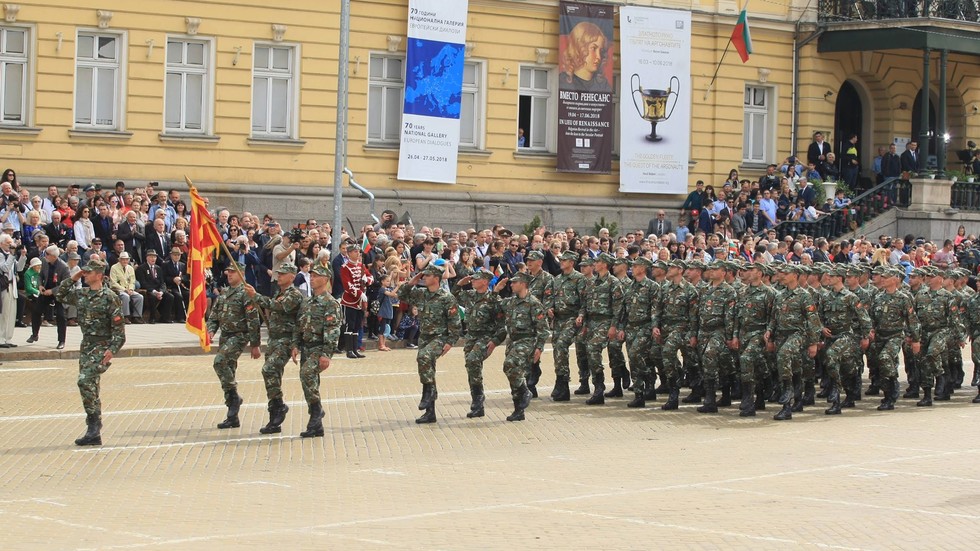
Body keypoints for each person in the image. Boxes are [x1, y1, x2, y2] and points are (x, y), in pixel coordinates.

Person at [56, 257, 126, 446]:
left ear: (99, 275)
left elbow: (120, 333)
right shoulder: (82, 294)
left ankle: (94, 424)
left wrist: (112, 350)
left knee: (84, 381)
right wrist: (74, 277)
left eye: (89, 272)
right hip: (86, 346)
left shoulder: (110, 297)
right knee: (90, 386)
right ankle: (93, 430)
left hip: (101, 347)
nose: (85, 274)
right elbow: (60, 295)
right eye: (84, 272)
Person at [397, 263, 462, 424]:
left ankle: (427, 394)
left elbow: (455, 322)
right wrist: (412, 281)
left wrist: (450, 342)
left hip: (439, 338)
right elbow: (401, 295)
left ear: (436, 278)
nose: (424, 277)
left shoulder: (447, 298)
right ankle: (430, 412)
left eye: (427, 275)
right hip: (424, 337)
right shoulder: (421, 294)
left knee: (424, 358)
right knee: (428, 368)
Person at [246, 263, 304, 434]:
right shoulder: (279, 293)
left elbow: (280, 306)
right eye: (278, 273)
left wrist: (256, 296)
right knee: (274, 376)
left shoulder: (294, 294)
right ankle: (274, 417)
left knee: (269, 370)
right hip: (274, 339)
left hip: (285, 340)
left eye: (283, 274)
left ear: (292, 277)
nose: (279, 276)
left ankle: (279, 406)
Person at [206, 262, 262, 429]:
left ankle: (234, 398)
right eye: (228, 272)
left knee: (219, 362)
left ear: (241, 274)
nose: (229, 275)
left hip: (239, 336)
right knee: (228, 371)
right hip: (225, 336)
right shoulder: (224, 293)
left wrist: (255, 344)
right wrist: (210, 331)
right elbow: (214, 316)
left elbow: (253, 320)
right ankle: (232, 414)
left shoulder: (246, 293)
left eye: (232, 272)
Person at [293, 264, 343, 438]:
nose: (312, 278)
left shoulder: (331, 303)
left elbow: (333, 330)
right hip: (306, 347)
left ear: (325, 279)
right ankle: (316, 424)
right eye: (311, 276)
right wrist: (295, 345)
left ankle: (316, 411)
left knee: (307, 374)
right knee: (309, 382)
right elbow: (299, 325)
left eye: (316, 276)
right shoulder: (307, 301)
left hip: (319, 348)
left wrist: (326, 354)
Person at [765, 264, 821, 420]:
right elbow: (774, 318)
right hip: (781, 335)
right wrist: (769, 332)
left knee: (783, 356)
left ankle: (787, 401)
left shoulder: (804, 296)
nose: (782, 275)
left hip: (798, 334)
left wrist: (813, 343)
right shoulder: (779, 295)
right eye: (781, 273)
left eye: (785, 273)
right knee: (794, 367)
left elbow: (813, 321)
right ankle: (797, 399)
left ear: (795, 275)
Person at [452, 270, 507, 418]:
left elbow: (503, 324)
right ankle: (477, 403)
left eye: (476, 279)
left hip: (485, 337)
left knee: (473, 360)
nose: (472, 281)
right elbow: (452, 297)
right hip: (471, 337)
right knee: (472, 368)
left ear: (485, 281)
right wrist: (459, 284)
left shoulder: (494, 298)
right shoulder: (470, 295)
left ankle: (478, 399)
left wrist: (495, 341)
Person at [500, 271, 550, 421]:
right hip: (512, 341)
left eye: (515, 282)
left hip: (527, 341)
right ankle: (519, 410)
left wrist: (539, 348)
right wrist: (496, 290)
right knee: (512, 371)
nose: (512, 284)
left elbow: (543, 329)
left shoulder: (533, 303)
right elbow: (492, 304)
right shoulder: (511, 301)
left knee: (510, 364)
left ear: (523, 284)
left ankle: (525, 391)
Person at [29, 246, 70, 349]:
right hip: (46, 288)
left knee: (61, 316)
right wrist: (40, 285)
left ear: (54, 256)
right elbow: (40, 276)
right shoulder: (44, 261)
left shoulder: (64, 267)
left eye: (47, 254)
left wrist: (52, 291)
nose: (45, 256)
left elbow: (66, 284)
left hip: (59, 291)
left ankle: (61, 340)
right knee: (36, 311)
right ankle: (34, 334)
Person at [340, 243, 372, 358]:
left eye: (358, 252)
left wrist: (366, 280)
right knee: (350, 324)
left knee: (357, 325)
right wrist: (359, 293)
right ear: (348, 254)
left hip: (360, 302)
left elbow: (370, 277)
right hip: (350, 301)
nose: (357, 253)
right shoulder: (345, 267)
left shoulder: (361, 266)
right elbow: (347, 285)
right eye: (355, 252)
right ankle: (349, 350)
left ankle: (355, 349)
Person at [559, 21, 610, 91]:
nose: (599, 57)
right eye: (593, 48)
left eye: (601, 51)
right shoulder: (562, 81)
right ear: (579, 48)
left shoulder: (603, 85)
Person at [0, 233, 26, 347]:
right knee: (4, 313)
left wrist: (22, 256)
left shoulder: (11, 255)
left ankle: (8, 338)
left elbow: (19, 268)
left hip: (12, 286)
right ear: (1, 244)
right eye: (8, 243)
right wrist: (11, 255)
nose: (10, 246)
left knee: (11, 313)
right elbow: (5, 268)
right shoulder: (1, 255)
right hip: (4, 287)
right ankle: (1, 338)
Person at [135, 249, 173, 324]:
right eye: (151, 257)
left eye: (154, 257)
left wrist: (161, 292)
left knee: (170, 296)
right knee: (152, 297)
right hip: (148, 290)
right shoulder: (141, 268)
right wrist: (154, 291)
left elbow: (162, 282)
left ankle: (165, 317)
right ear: (147, 258)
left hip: (158, 289)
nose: (153, 259)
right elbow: (143, 283)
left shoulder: (158, 268)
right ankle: (152, 318)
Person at [108, 252, 144, 324]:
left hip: (128, 289)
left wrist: (130, 289)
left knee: (139, 297)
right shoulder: (114, 267)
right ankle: (125, 316)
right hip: (118, 289)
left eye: (126, 259)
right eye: (123, 259)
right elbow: (113, 282)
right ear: (119, 260)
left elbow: (132, 281)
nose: (125, 261)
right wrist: (124, 290)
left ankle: (136, 317)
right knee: (125, 296)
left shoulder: (130, 268)